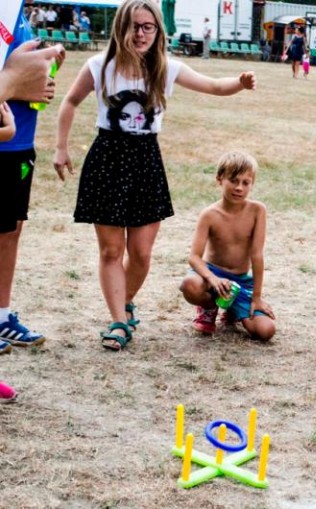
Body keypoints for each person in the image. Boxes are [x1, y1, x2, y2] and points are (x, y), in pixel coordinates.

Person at [53, 0, 256, 351]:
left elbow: (212, 86)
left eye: (148, 27)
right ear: (121, 27)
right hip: (108, 158)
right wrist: (61, 147)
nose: (141, 33)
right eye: (134, 26)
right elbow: (69, 102)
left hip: (146, 159)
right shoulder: (99, 66)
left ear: (158, 32)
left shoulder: (165, 68)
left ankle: (125, 302)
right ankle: (118, 320)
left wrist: (238, 83)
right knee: (111, 251)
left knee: (142, 253)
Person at [0, 1, 65, 354]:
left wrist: (43, 81)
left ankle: (2, 316)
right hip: (2, 143)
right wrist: (17, 84)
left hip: (20, 146)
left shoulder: (18, 13)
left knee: (11, 231)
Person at [179, 151, 276, 340]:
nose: (239, 188)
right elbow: (194, 257)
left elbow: (257, 255)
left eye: (245, 183)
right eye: (233, 180)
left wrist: (256, 298)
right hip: (212, 277)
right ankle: (209, 307)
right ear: (219, 179)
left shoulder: (258, 211)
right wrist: (213, 279)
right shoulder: (209, 214)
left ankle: (231, 308)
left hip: (240, 282)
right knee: (189, 285)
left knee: (266, 331)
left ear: (251, 184)